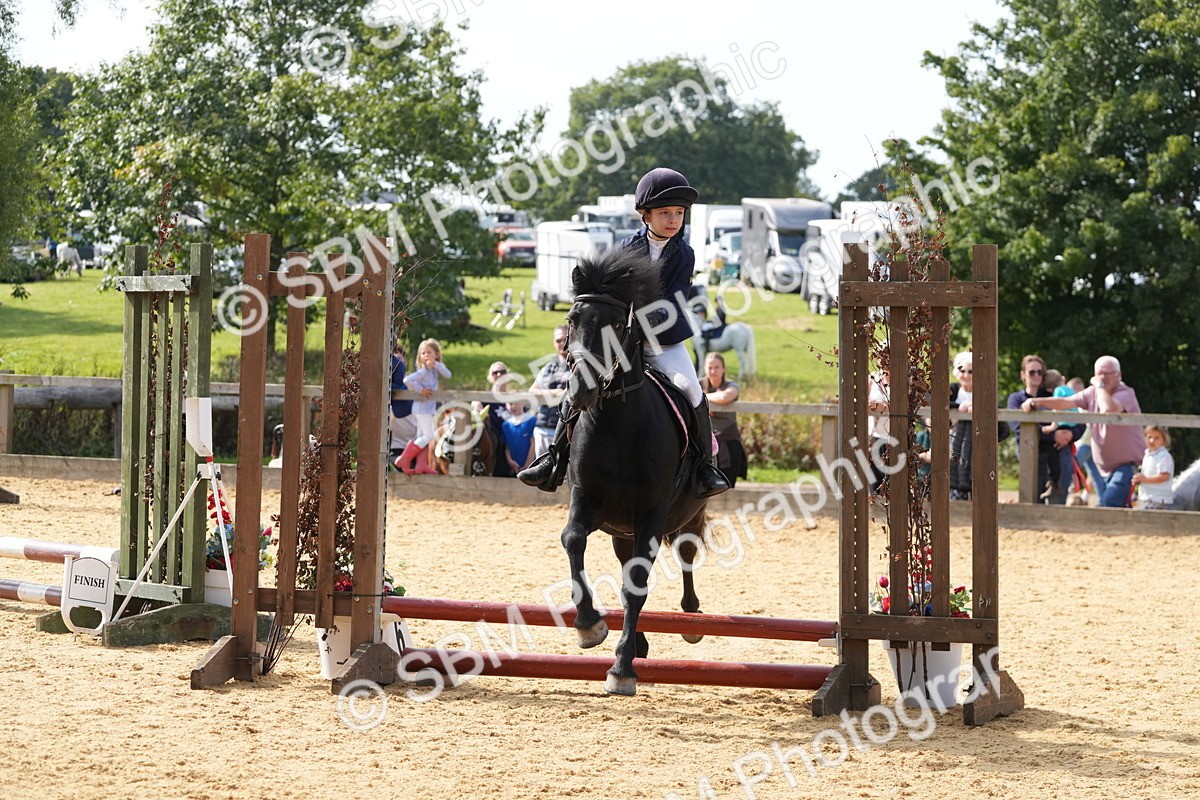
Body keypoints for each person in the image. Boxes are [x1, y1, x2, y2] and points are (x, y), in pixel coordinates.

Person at [519, 166, 730, 497]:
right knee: (580, 384)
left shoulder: (684, 254)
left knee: (691, 391)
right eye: (665, 213)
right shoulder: (626, 249)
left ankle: (705, 466)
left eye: (679, 213)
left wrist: (640, 325)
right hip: (620, 342)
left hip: (665, 342)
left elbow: (673, 302)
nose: (673, 220)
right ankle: (554, 458)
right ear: (645, 215)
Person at [1021, 355, 1143, 507]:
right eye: (1100, 373)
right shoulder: (1092, 393)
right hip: (1103, 469)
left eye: (1108, 373)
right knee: (1111, 506)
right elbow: (1065, 402)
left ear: (1119, 375)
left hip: (1126, 465)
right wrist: (1036, 402)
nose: (1103, 377)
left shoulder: (1125, 392)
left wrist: (1099, 386)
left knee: (1110, 502)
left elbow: (1108, 409)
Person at [1006, 355, 1079, 505]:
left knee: (1057, 503)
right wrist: (1053, 435)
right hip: (1031, 455)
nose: (1036, 376)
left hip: (1057, 456)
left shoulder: (1053, 396)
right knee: (1032, 501)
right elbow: (1018, 426)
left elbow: (1079, 420)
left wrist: (1070, 434)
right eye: (1032, 372)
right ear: (1023, 375)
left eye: (1040, 372)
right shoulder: (1016, 399)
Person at [393, 338, 451, 475]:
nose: (426, 356)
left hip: (427, 408)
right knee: (429, 436)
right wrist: (421, 390)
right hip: (421, 408)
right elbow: (407, 380)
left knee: (420, 436)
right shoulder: (424, 371)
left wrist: (436, 364)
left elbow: (448, 375)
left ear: (436, 354)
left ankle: (421, 464)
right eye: (423, 353)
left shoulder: (434, 370)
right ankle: (404, 459)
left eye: (429, 352)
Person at [700, 352, 745, 487]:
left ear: (723, 369)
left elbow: (726, 397)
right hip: (705, 440)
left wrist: (702, 396)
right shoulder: (698, 383)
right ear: (705, 368)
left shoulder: (731, 385)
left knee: (729, 483)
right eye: (710, 367)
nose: (713, 371)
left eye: (717, 367)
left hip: (728, 439)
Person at [530, 326, 571, 460]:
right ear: (554, 343)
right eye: (558, 340)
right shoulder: (548, 367)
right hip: (542, 428)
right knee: (541, 474)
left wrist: (545, 393)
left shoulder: (579, 367)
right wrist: (556, 392)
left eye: (565, 339)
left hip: (566, 432)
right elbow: (532, 391)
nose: (562, 343)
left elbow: (570, 394)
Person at [475, 361, 515, 477]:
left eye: (502, 372)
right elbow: (475, 404)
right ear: (489, 377)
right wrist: (476, 406)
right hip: (492, 447)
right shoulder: (484, 398)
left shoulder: (513, 400)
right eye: (495, 372)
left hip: (512, 445)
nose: (498, 375)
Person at [1132, 426, 1175, 510]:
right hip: (1147, 497)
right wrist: (1139, 479)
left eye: (1157, 438)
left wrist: (1145, 479)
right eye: (1149, 437)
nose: (1152, 440)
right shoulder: (1148, 455)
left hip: (1158, 499)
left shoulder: (1163, 456)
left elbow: (1164, 476)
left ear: (1164, 440)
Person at [389, 344, 418, 467]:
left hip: (416, 443)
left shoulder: (413, 382)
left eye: (399, 360)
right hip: (396, 445)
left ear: (404, 362)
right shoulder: (389, 385)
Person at [501, 398, 537, 476]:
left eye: (516, 403)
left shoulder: (532, 421)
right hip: (514, 469)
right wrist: (510, 461)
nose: (513, 406)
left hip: (531, 468)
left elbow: (533, 445)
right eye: (510, 404)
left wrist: (527, 465)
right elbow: (507, 447)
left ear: (523, 403)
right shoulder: (506, 425)